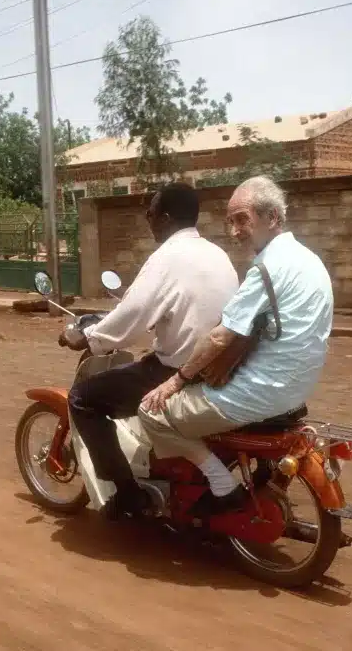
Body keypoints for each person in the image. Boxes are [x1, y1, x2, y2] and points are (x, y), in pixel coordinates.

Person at [139, 175, 334, 518]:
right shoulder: (310, 260)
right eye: (230, 221)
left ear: (272, 218)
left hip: (257, 394)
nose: (234, 231)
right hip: (296, 389)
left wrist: (175, 380)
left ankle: (220, 483)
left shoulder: (269, 268)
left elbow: (220, 337)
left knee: (151, 412)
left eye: (242, 219)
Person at [60, 182, 238, 520]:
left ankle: (128, 496)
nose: (148, 219)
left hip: (176, 372)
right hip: (219, 368)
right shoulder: (217, 254)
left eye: (151, 213)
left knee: (83, 398)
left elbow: (132, 318)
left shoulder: (167, 257)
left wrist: (88, 338)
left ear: (166, 218)